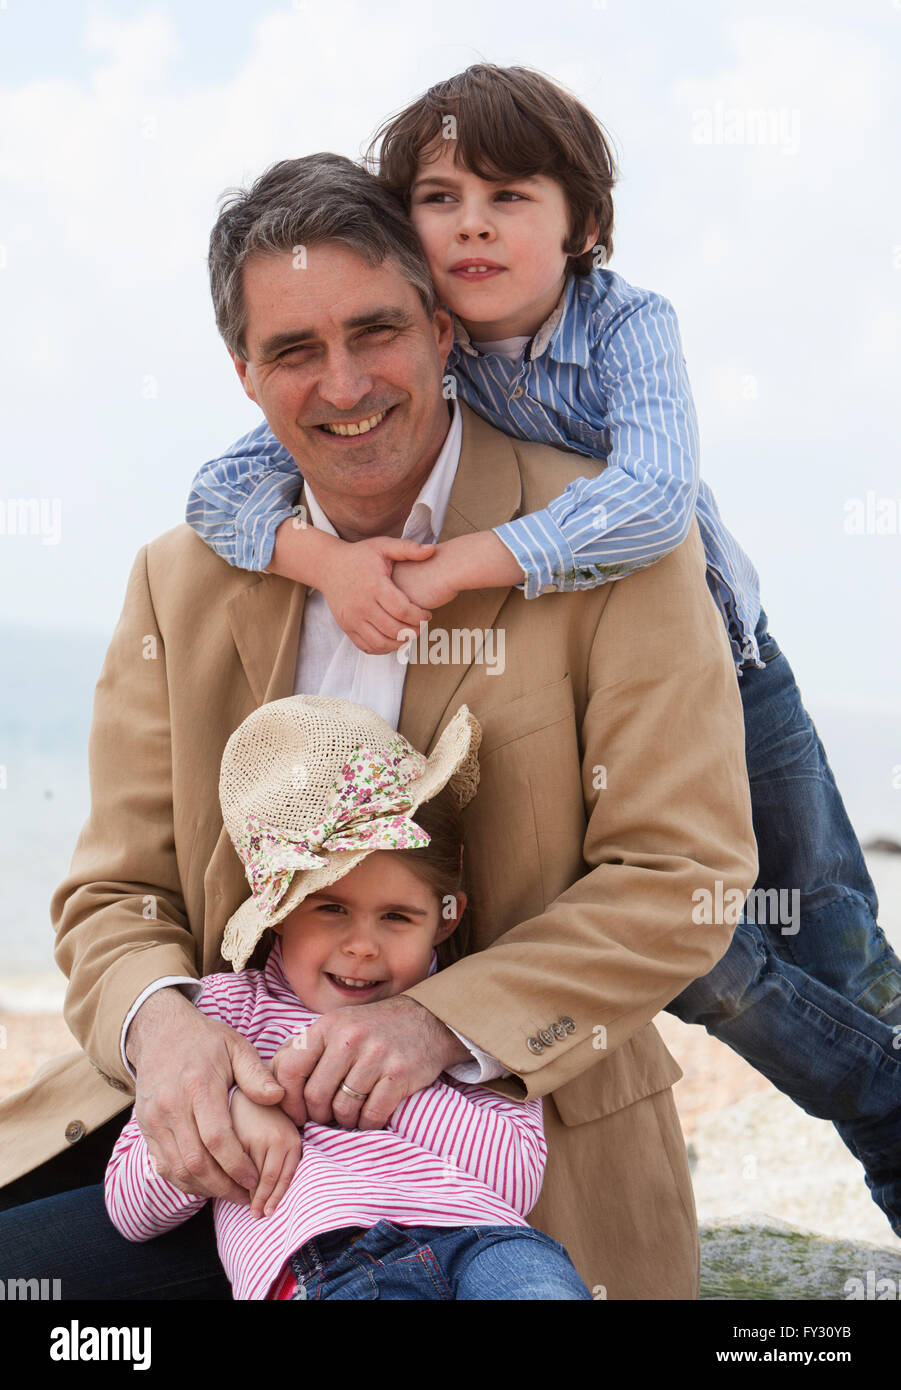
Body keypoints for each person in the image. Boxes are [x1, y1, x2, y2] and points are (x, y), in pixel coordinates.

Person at [0, 148, 758, 1301]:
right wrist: (169, 1036)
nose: (345, 384)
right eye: (294, 350)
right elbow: (117, 895)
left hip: (492, 1189)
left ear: (443, 329)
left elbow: (680, 872)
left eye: (376, 331)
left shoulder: (611, 545)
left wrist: (431, 1024)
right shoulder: (178, 577)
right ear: (244, 373)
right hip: (227, 1159)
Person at [185, 64, 901, 1234]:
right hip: (616, 680)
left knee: (841, 949)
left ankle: (885, 1102)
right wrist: (331, 564)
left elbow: (652, 500)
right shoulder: (418, 347)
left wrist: (470, 562)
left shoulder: (627, 325)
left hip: (731, 667)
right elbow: (222, 484)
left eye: (511, 194)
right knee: (707, 965)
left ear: (583, 227)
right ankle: (879, 1093)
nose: (473, 220)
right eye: (438, 194)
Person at [105, 693, 592, 1301]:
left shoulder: (463, 1017)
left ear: (445, 919)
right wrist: (237, 1114)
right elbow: (131, 1206)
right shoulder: (226, 1014)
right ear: (276, 914)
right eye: (331, 909)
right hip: (325, 1266)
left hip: (488, 1244)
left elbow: (512, 1181)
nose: (362, 947)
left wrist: (381, 1080)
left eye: (396, 916)